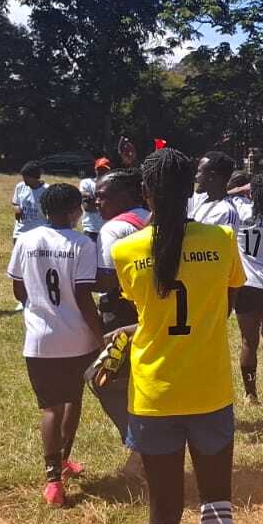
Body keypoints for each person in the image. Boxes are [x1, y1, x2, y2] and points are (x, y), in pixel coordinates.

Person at [113, 147, 249, 524]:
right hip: (209, 390)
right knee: (216, 502)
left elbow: (146, 312)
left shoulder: (126, 251)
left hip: (153, 392)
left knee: (163, 509)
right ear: (191, 189)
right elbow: (225, 304)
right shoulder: (221, 240)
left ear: (144, 194)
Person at [7, 183, 103, 506]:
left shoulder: (26, 239)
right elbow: (83, 296)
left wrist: (39, 307)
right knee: (73, 399)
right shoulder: (82, 244)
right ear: (75, 211)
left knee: (50, 408)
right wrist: (101, 336)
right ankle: (63, 461)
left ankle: (53, 481)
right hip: (78, 340)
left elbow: (18, 289)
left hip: (40, 340)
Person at [90, 169, 152, 446]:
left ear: (125, 195)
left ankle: (137, 441)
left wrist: (77, 280)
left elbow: (107, 280)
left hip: (120, 311)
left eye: (103, 196)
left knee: (105, 378)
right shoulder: (151, 219)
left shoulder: (113, 228)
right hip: (150, 307)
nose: (97, 202)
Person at [233, 173, 263, 403]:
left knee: (248, 341)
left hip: (246, 285)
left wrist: (239, 189)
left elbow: (220, 195)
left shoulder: (240, 212)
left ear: (251, 193)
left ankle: (250, 392)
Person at [189, 151, 244, 231]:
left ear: (211, 176)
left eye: (199, 171)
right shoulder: (201, 200)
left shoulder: (226, 212)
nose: (196, 176)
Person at [12, 160, 48, 239]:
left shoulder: (46, 190)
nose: (24, 179)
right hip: (20, 232)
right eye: (23, 176)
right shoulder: (20, 186)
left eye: (27, 177)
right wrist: (17, 208)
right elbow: (15, 203)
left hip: (39, 233)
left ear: (35, 177)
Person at [79, 158, 110, 242]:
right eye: (99, 169)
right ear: (95, 169)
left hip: (107, 229)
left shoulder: (111, 185)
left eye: (104, 169)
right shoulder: (86, 183)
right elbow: (87, 207)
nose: (101, 171)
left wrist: (92, 198)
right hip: (91, 229)